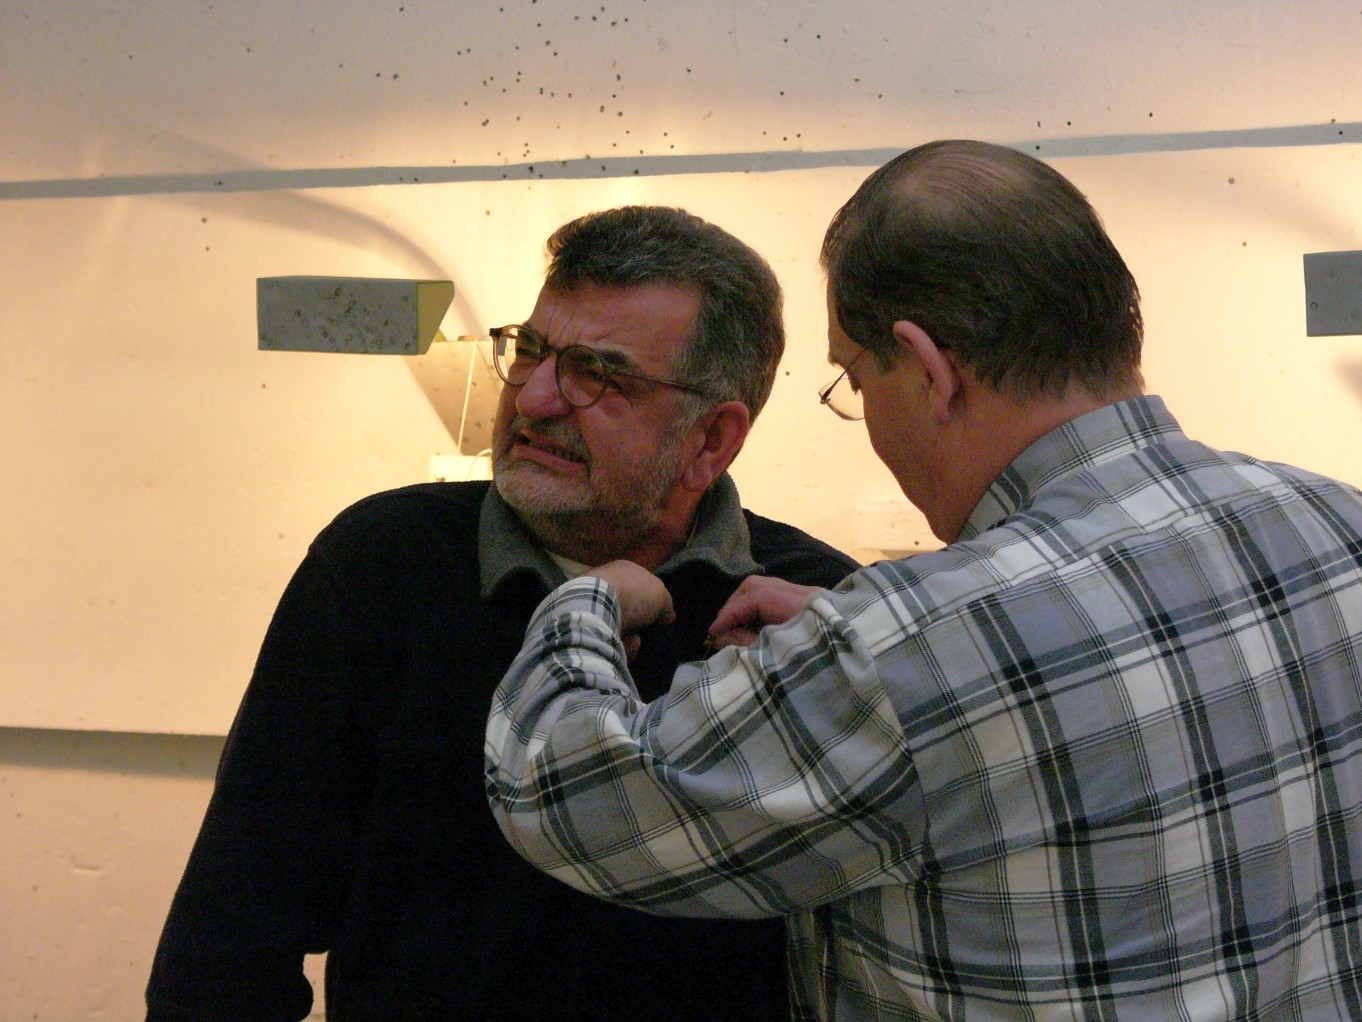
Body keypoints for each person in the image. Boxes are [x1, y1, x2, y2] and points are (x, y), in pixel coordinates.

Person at [485, 141, 1362, 1020]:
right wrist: (870, 648)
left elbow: (555, 791)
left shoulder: (908, 648)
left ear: (929, 368)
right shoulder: (1337, 522)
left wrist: (588, 600)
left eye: (855, 378)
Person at [146, 205, 858, 1021]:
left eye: (599, 373)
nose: (536, 397)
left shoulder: (810, 607)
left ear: (711, 440)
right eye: (530, 351)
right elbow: (233, 935)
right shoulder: (384, 565)